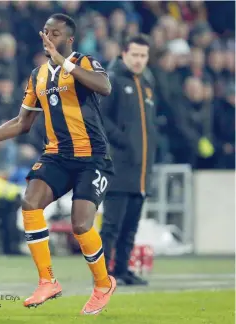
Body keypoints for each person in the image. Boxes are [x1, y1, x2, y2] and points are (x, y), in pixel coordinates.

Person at [0, 14, 116, 315]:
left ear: (69, 39)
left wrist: (64, 61)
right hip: (57, 155)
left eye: (55, 33)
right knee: (30, 202)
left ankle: (102, 284)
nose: (48, 37)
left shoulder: (83, 62)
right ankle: (47, 281)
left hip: (92, 157)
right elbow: (21, 123)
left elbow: (104, 86)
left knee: (81, 224)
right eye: (45, 32)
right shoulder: (37, 75)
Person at [99, 34, 157, 286]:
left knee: (131, 225)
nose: (138, 60)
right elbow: (100, 118)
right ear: (124, 54)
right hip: (117, 166)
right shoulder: (111, 80)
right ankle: (101, 275)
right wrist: (121, 140)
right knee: (111, 225)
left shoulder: (147, 83)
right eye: (134, 54)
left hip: (141, 168)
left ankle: (122, 269)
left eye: (143, 55)